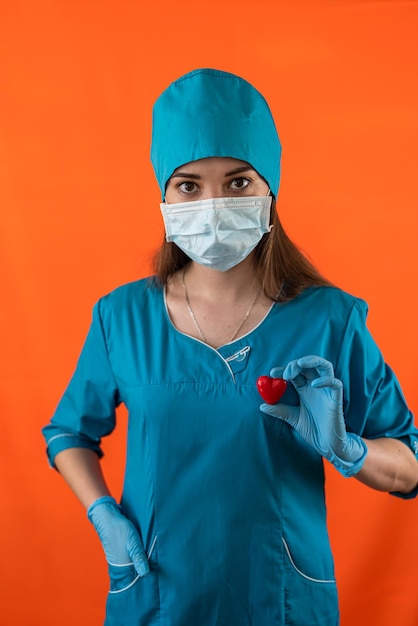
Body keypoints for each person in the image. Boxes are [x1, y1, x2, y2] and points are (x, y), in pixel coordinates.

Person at [42, 68, 418, 626]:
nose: (214, 203)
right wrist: (103, 514)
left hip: (282, 598)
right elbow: (69, 432)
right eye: (189, 185)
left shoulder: (329, 319)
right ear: (165, 196)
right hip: (157, 593)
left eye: (238, 182)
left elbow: (409, 467)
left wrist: (349, 449)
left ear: (270, 187)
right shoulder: (121, 317)